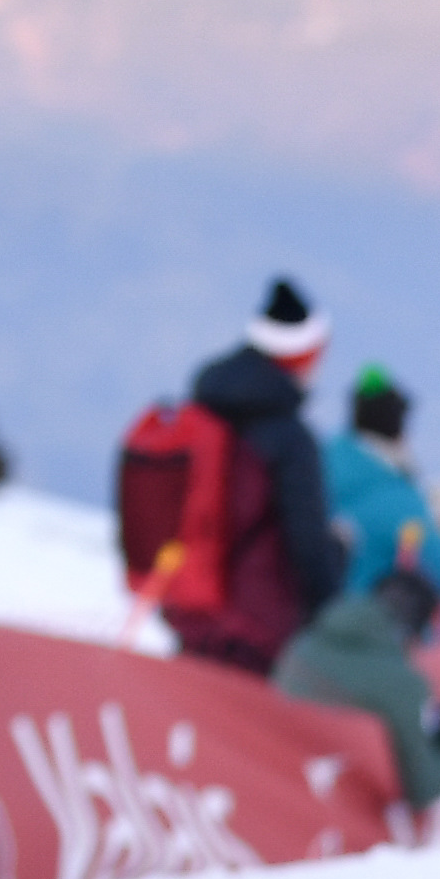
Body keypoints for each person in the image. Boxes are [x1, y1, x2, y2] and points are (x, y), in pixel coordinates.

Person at [173, 276, 343, 674]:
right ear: (304, 354)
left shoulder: (202, 412)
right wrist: (332, 608)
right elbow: (308, 544)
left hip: (192, 611)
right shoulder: (289, 438)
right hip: (261, 627)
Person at [270, 564, 440, 812]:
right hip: (331, 805)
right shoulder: (405, 685)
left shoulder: (304, 643)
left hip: (273, 777)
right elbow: (424, 788)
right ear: (414, 628)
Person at [320, 366, 440, 605]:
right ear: (398, 428)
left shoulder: (316, 467)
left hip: (310, 627)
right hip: (367, 629)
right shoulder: (398, 501)